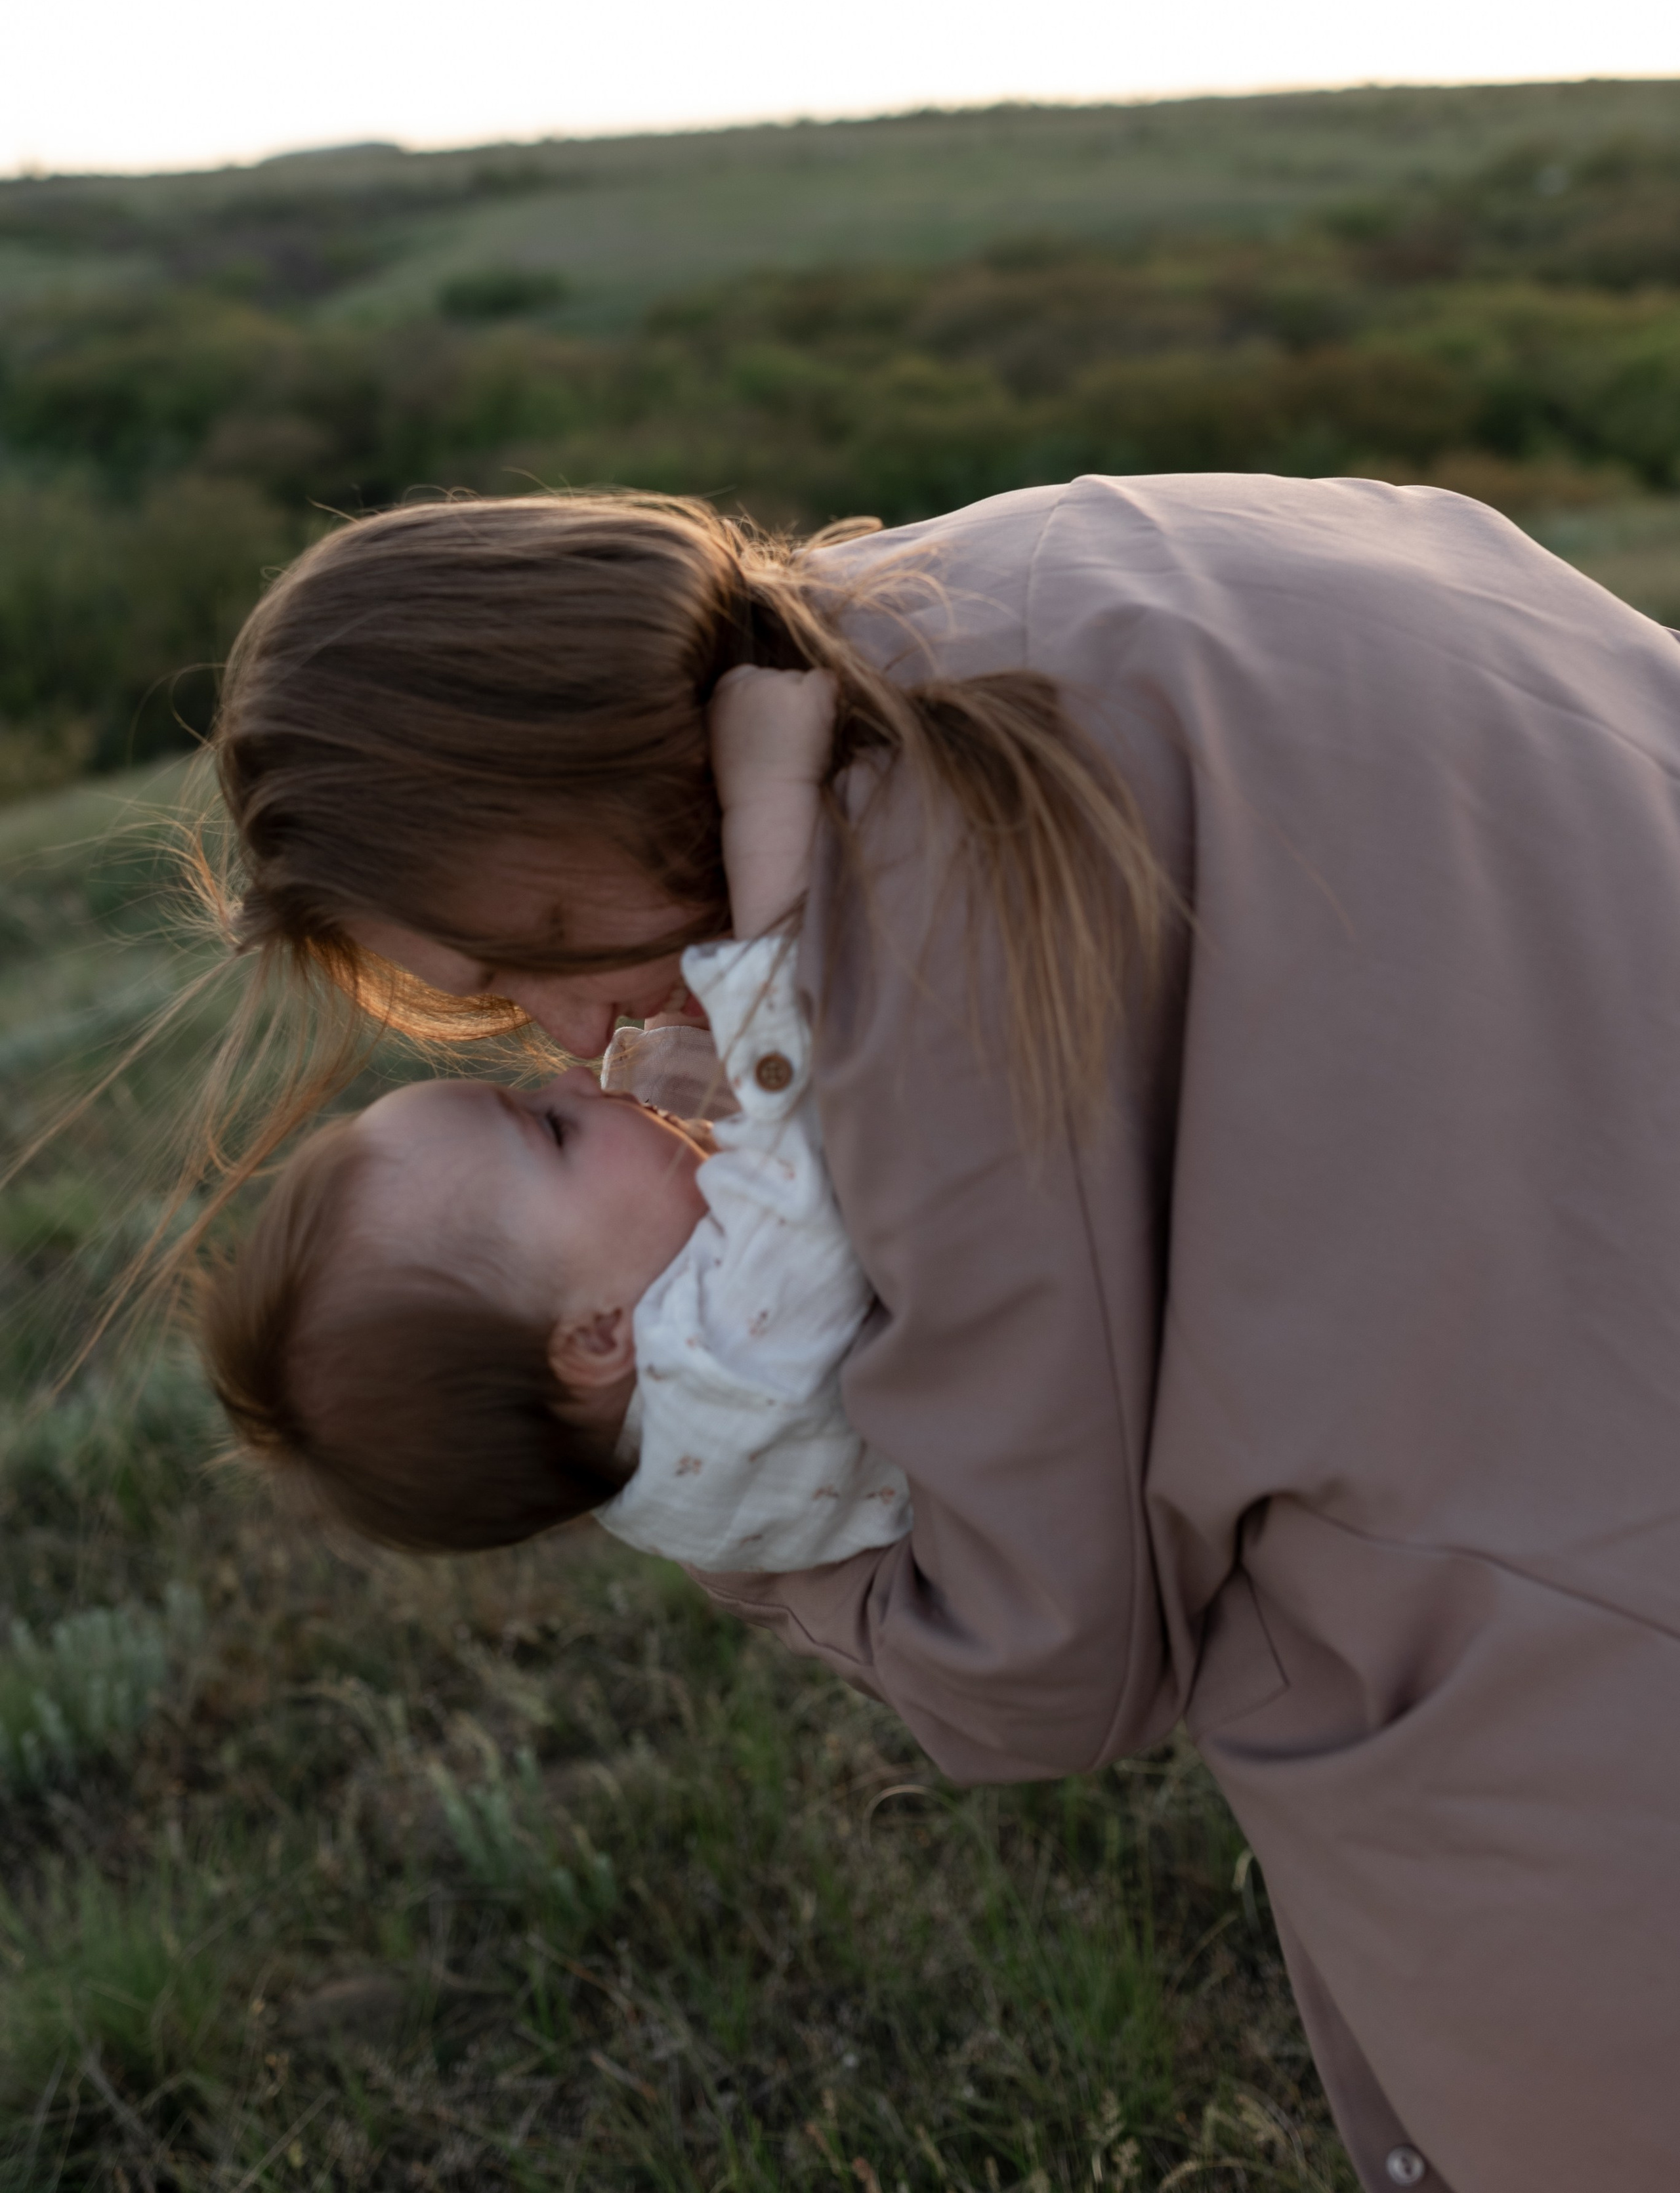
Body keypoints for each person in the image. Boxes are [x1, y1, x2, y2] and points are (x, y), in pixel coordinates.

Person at [199, 476, 1680, 2193]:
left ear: (517, 774)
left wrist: (763, 1562)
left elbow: (1038, 1653)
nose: (569, 1031)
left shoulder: (904, 913)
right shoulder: (1028, 562)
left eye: (517, 953)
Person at [200, 667, 910, 1569]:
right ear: (599, 1336)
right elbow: (801, 1087)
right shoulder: (722, 1368)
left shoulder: (670, 1469)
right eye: (551, 1129)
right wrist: (770, 789)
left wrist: (676, 1061)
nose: (577, 1080)